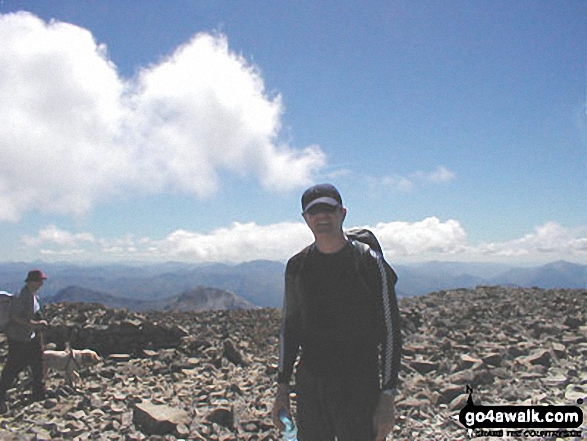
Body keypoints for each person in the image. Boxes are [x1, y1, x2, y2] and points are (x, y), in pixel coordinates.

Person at [271, 183, 402, 441]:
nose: (322, 217)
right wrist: (282, 388)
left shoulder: (368, 262)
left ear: (342, 213)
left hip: (358, 385)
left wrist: (387, 397)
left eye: (328, 210)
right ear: (305, 219)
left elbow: (390, 331)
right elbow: (291, 328)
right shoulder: (297, 266)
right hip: (311, 385)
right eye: (314, 211)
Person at [0, 269, 49, 413]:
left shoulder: (32, 295)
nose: (41, 284)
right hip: (19, 338)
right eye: (39, 281)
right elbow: (15, 316)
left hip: (29, 336)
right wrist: (34, 324)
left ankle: (38, 393)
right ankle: (1, 394)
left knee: (37, 363)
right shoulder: (22, 296)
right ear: (32, 281)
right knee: (14, 366)